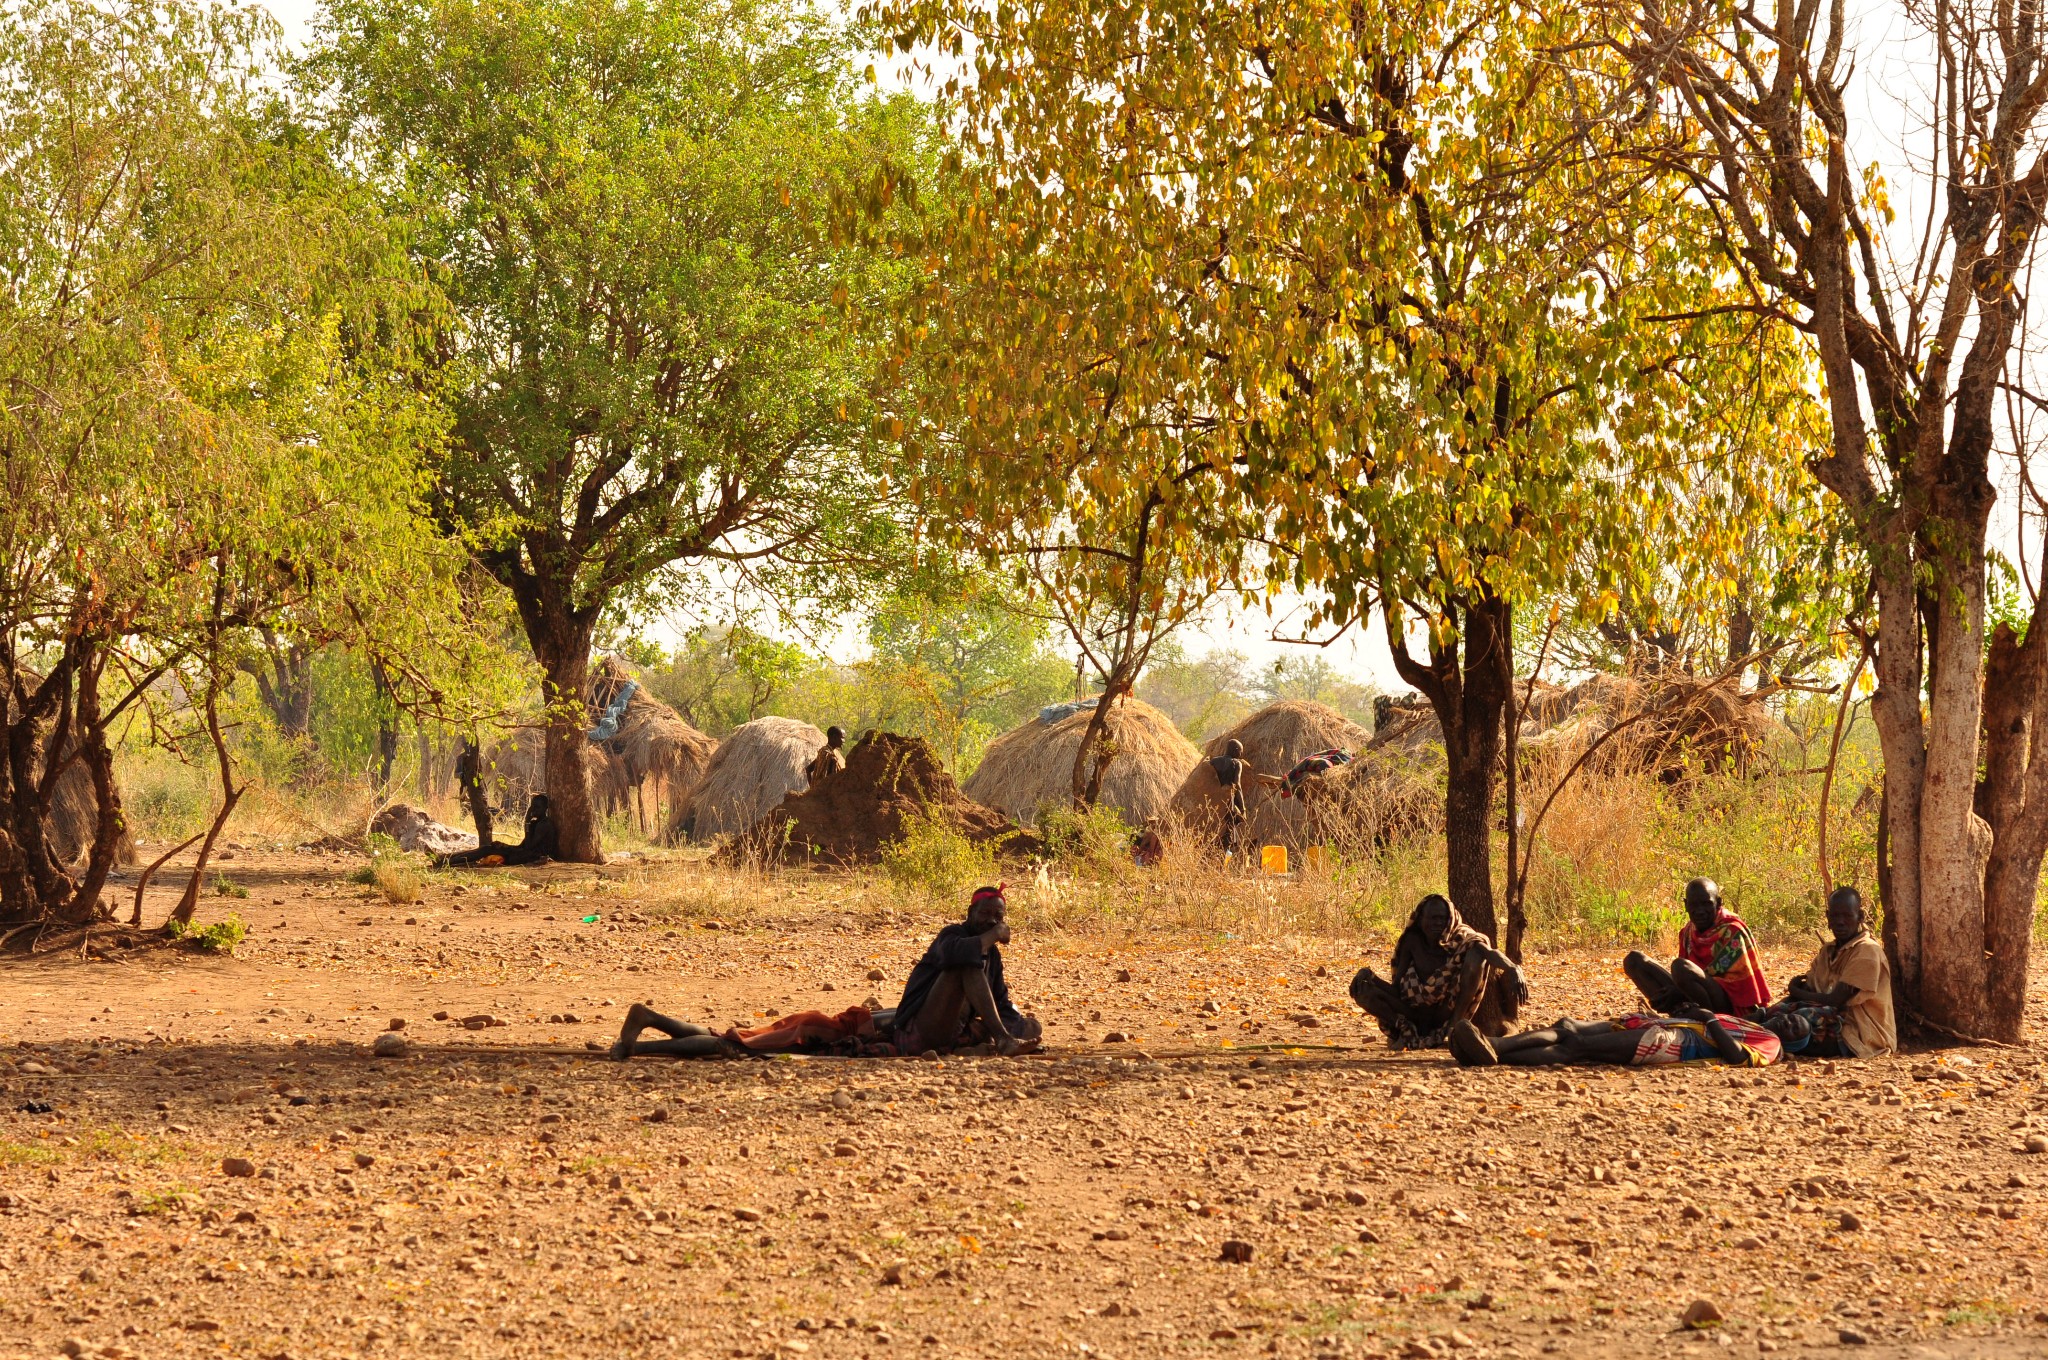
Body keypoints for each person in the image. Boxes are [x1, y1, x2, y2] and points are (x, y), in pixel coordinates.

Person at [1350, 894, 1528, 1050]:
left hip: (1443, 1016)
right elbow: (1397, 989)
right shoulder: (1412, 942)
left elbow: (1488, 953)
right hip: (1412, 1014)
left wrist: (1513, 968)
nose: (1438, 923)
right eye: (1433, 918)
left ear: (1450, 919)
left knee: (1476, 954)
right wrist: (1370, 977)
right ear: (1420, 919)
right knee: (1362, 989)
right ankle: (1404, 1029)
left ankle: (1454, 1029)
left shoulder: (1461, 937)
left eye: (1442, 918)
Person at [894, 884, 1042, 1057]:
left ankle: (976, 1046)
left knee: (1033, 1026)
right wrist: (994, 935)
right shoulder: (951, 934)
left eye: (998, 916)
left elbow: (1001, 1003)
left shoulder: (993, 955)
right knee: (967, 963)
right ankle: (1002, 1040)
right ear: (971, 913)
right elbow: (959, 954)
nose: (992, 921)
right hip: (923, 1031)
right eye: (985, 913)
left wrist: (1020, 1028)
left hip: (956, 1031)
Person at [1448, 1004, 1804, 1068]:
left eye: (1794, 1030)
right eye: (1791, 1020)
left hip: (1676, 1045)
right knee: (1568, 1027)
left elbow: (1738, 1058)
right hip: (1662, 1026)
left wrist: (1710, 1019)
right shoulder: (1758, 1025)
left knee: (1577, 1047)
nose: (1787, 1024)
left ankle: (1495, 1052)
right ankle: (1494, 1047)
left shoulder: (1769, 1045)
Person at [1764, 886, 1895, 1058]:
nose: (1840, 922)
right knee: (1776, 1016)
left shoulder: (1868, 951)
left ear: (1860, 917)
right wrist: (1771, 1011)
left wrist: (1795, 990)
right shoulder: (1827, 951)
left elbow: (1834, 1000)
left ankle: (1756, 1042)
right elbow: (1810, 991)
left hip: (1859, 1033)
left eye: (1847, 916)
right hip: (1828, 1019)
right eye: (1835, 916)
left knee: (1794, 1024)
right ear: (1827, 917)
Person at [1624, 877, 1771, 1014]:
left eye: (1706, 904)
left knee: (1681, 967)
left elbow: (1733, 985)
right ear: (1686, 905)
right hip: (1694, 995)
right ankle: (1681, 1014)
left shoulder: (1732, 931)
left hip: (1730, 1007)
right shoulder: (1688, 931)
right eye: (1694, 905)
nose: (1700, 911)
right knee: (1634, 960)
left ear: (1718, 903)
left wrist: (1680, 990)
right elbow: (1684, 979)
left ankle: (1706, 1022)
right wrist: (1678, 990)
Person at [436, 793, 559, 868]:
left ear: (545, 808)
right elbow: (522, 845)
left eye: (537, 807)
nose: (534, 810)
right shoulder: (535, 823)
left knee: (487, 849)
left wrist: (526, 822)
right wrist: (505, 845)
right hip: (523, 854)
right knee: (488, 848)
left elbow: (529, 848)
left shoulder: (545, 825)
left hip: (529, 857)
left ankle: (447, 861)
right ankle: (447, 859)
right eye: (533, 807)